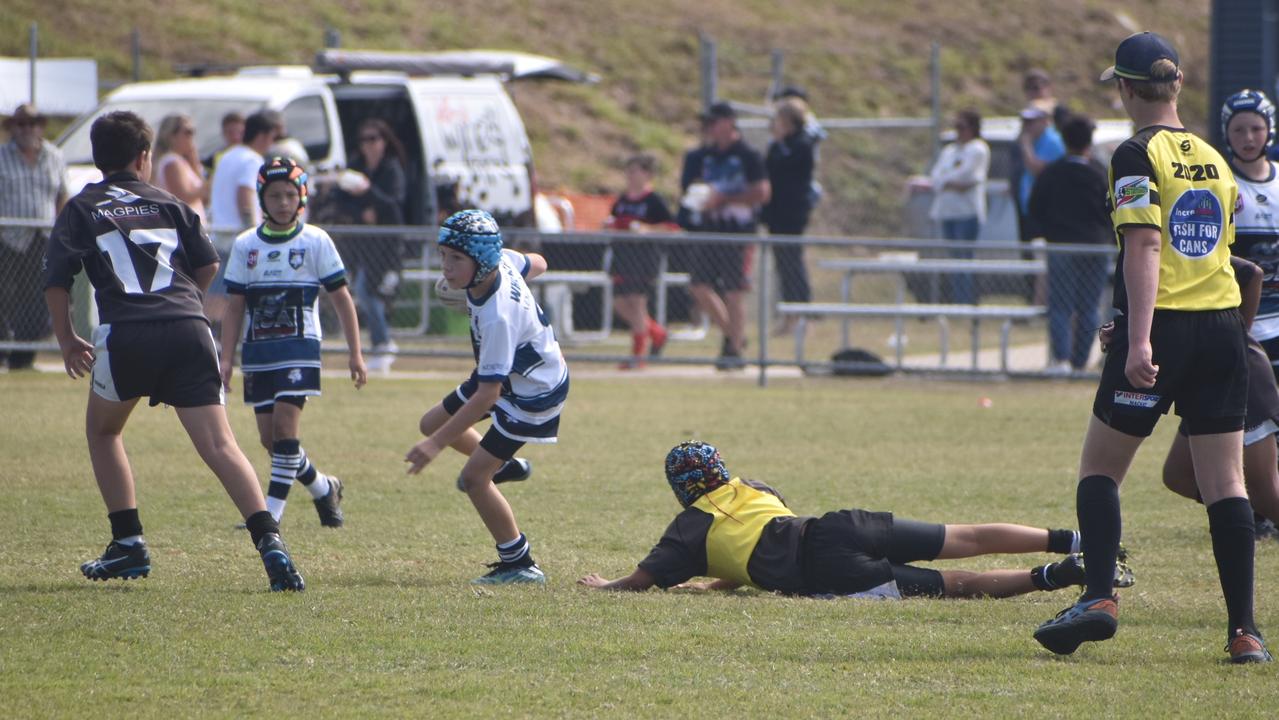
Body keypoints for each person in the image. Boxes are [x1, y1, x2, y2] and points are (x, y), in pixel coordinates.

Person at [1032, 32, 1269, 664]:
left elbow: (1145, 247)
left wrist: (1136, 337)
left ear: (1127, 88)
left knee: (1100, 471)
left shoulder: (1134, 154)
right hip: (1223, 328)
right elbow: (1221, 256)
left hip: (1163, 329)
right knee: (1227, 485)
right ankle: (1244, 630)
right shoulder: (1217, 160)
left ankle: (1102, 595)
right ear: (1178, 85)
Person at [41, 111, 304, 591]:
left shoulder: (83, 206)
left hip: (128, 331)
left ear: (97, 158)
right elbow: (207, 265)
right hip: (188, 326)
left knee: (103, 432)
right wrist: (183, 304)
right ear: (145, 157)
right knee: (221, 445)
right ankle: (271, 542)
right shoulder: (169, 202)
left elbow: (57, 278)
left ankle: (128, 543)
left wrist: (66, 338)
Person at [578, 441, 1134, 600]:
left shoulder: (688, 529)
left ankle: (1061, 576)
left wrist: (607, 585)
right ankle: (1079, 539)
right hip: (837, 526)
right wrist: (719, 581)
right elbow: (757, 535)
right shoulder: (755, 487)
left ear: (681, 489)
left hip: (826, 570)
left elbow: (643, 581)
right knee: (963, 535)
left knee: (956, 585)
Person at [404, 209, 565, 585]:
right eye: (443, 255)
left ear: (482, 260)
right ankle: (505, 466)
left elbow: (487, 396)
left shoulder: (497, 317)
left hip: (532, 392)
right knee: (431, 421)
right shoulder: (503, 262)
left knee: (474, 478)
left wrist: (435, 446)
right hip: (511, 375)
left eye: (456, 259)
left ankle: (519, 563)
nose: (446, 267)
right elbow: (538, 262)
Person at [220, 157, 367, 527]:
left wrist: (356, 352)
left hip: (299, 349)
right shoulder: (245, 245)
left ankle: (270, 514)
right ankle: (323, 488)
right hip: (258, 352)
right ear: (261, 198)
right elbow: (235, 307)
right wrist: (225, 358)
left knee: (286, 430)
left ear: (301, 197)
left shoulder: (315, 240)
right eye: (274, 195)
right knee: (272, 442)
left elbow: (341, 298)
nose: (282, 202)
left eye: (289, 195)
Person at [679, 101, 770, 370]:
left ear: (729, 123)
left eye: (714, 122)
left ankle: (733, 349)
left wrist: (724, 199)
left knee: (734, 292)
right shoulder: (704, 156)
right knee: (699, 286)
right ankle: (734, 338)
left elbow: (762, 193)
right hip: (709, 230)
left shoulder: (747, 155)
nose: (709, 129)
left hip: (738, 233)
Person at [1029, 114, 1112, 373]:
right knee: (1089, 306)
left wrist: (1046, 232)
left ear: (1064, 141)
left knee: (1061, 306)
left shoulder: (1053, 172)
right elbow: (1112, 209)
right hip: (1095, 247)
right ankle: (1079, 363)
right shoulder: (1100, 172)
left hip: (1061, 246)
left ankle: (1061, 359)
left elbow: (1035, 207)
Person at [331, 119, 408, 371]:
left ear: (384, 141)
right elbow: (340, 199)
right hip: (361, 241)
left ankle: (383, 343)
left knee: (368, 291)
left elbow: (394, 203)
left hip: (386, 242)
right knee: (362, 290)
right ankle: (381, 343)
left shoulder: (391, 168)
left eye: (374, 138)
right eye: (364, 139)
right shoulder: (356, 165)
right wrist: (362, 211)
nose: (368, 144)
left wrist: (368, 191)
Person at [0, 103, 67, 370]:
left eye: (32, 123)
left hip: (43, 239)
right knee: (5, 298)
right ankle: (5, 347)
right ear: (12, 127)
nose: (27, 129)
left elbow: (62, 195)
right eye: (21, 124)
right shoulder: (2, 156)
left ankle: (22, 360)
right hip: (8, 238)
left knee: (40, 303)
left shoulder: (55, 156)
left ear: (41, 126)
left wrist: (63, 231)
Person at [207, 111, 282, 326]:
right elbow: (245, 193)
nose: (271, 144)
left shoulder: (229, 155)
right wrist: (254, 232)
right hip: (238, 238)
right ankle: (234, 341)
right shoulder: (252, 159)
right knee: (245, 295)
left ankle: (214, 341)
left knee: (218, 294)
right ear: (262, 136)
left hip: (220, 233)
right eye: (271, 138)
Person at [605, 153, 676, 369]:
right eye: (628, 170)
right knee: (619, 304)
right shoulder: (623, 200)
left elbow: (672, 228)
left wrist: (646, 229)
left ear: (647, 174)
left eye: (635, 170)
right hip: (622, 256)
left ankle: (638, 357)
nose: (630, 175)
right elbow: (615, 220)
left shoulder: (653, 201)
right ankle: (657, 332)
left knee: (636, 304)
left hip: (643, 257)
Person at [763, 97, 819, 335]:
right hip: (776, 213)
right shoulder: (777, 145)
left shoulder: (801, 144)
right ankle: (790, 314)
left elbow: (787, 168)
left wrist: (779, 143)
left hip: (792, 213)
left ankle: (800, 315)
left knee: (792, 263)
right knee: (783, 264)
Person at [927, 109, 990, 305]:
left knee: (964, 261)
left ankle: (965, 302)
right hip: (948, 212)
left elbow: (967, 178)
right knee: (954, 261)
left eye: (962, 127)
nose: (958, 132)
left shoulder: (978, 149)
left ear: (973, 128)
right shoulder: (949, 151)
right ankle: (956, 301)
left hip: (967, 213)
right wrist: (948, 182)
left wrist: (947, 182)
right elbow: (936, 176)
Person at [152, 114, 206, 224]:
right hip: (184, 226)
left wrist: (194, 162)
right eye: (187, 132)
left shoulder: (181, 161)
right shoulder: (172, 162)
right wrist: (209, 186)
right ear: (172, 136)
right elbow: (181, 197)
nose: (191, 137)